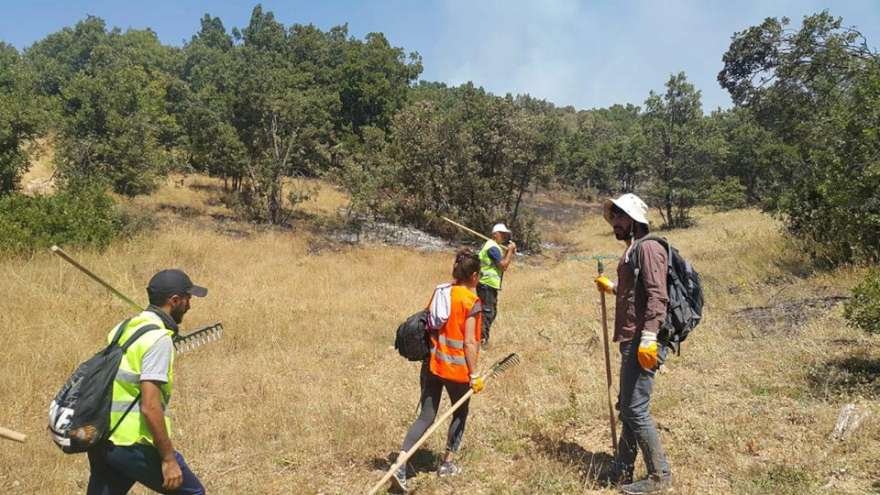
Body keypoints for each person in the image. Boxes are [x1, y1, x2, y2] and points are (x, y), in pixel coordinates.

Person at [87, 269, 208, 495]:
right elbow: (150, 406)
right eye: (187, 298)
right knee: (193, 493)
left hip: (103, 436)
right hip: (133, 442)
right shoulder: (158, 339)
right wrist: (168, 459)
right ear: (174, 300)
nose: (190, 305)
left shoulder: (126, 326)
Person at [594, 194, 673, 494]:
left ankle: (659, 477)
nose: (614, 223)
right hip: (632, 338)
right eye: (613, 217)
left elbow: (657, 295)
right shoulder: (632, 250)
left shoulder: (650, 247)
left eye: (619, 217)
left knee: (635, 409)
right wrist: (613, 288)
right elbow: (634, 294)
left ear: (634, 220)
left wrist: (650, 338)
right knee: (627, 407)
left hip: (643, 339)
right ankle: (622, 469)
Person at [390, 249, 485, 493]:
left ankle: (400, 463)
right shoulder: (471, 302)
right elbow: (470, 343)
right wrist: (474, 376)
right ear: (474, 275)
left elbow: (430, 324)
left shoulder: (440, 292)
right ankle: (447, 464)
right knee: (459, 413)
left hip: (431, 365)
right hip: (457, 371)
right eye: (479, 274)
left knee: (426, 416)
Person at [476, 223, 516, 344]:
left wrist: (509, 253)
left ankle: (481, 337)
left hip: (489, 285)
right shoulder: (492, 247)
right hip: (486, 285)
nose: (503, 237)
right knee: (487, 313)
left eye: (505, 235)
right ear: (495, 234)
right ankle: (482, 340)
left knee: (491, 312)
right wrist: (510, 252)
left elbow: (500, 262)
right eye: (502, 234)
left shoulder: (495, 248)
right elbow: (503, 266)